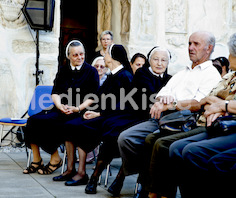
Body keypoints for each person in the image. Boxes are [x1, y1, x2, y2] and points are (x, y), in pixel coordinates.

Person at [117, 31, 222, 197]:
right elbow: (163, 91)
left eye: (196, 44)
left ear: (208, 49)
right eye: (189, 43)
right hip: (163, 117)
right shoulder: (182, 72)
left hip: (184, 122)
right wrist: (160, 100)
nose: (190, 48)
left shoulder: (211, 74)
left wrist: (171, 104)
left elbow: (198, 103)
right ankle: (144, 177)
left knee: (154, 142)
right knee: (126, 138)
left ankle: (148, 187)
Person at [85, 46, 172, 196]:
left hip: (151, 119)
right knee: (113, 135)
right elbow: (149, 95)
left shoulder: (170, 79)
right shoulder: (142, 73)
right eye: (156, 59)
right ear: (149, 61)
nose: (159, 63)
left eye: (163, 60)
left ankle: (120, 179)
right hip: (133, 114)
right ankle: (94, 177)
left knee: (143, 143)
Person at [166, 33, 236, 198]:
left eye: (231, 53)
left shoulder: (211, 72)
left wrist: (222, 105)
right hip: (217, 122)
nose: (228, 56)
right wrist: (220, 105)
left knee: (192, 151)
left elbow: (221, 101)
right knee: (175, 148)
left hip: (229, 126)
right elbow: (207, 99)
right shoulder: (229, 76)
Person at [52, 44, 133, 187]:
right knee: (69, 124)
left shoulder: (125, 76)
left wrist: (98, 113)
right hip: (101, 113)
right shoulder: (113, 74)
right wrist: (89, 110)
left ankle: (82, 173)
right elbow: (98, 97)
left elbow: (122, 105)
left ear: (113, 58)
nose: (104, 56)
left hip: (113, 118)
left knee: (81, 127)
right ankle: (71, 169)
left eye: (107, 53)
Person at [23, 40, 99, 175]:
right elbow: (55, 92)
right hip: (61, 109)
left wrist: (78, 108)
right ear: (68, 56)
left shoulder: (91, 71)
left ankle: (55, 159)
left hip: (79, 111)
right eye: (75, 55)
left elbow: (92, 97)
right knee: (33, 121)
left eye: (82, 54)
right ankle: (37, 159)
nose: (79, 57)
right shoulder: (63, 70)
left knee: (57, 124)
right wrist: (59, 105)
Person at [85, 56, 108, 163]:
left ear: (106, 69)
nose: (99, 68)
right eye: (96, 66)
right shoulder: (88, 79)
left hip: (101, 112)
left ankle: (93, 153)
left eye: (102, 66)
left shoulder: (108, 82)